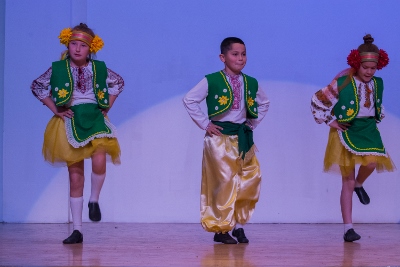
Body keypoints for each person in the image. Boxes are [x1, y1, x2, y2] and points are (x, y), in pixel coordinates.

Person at [31, 23, 124, 244]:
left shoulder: (98, 68)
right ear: (67, 44)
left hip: (94, 118)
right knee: (75, 176)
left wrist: (106, 107)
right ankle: (77, 229)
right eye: (73, 44)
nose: (77, 49)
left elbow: (118, 82)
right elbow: (37, 86)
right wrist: (56, 109)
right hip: (71, 120)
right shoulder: (58, 68)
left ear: (91, 48)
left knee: (100, 157)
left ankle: (94, 200)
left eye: (82, 45)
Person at [183, 37, 270, 244]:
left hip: (242, 138)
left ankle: (239, 226)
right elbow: (190, 99)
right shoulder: (211, 80)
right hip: (219, 140)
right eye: (235, 54)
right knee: (224, 183)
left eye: (243, 54)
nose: (240, 58)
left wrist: (252, 123)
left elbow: (264, 102)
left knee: (249, 180)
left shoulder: (250, 82)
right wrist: (205, 124)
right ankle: (221, 229)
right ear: (223, 57)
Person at [311, 34, 395, 242]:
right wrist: (330, 121)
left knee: (373, 163)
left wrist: (378, 112)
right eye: (365, 67)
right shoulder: (343, 82)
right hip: (347, 130)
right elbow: (317, 100)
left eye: (372, 68)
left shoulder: (378, 83)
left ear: (378, 66)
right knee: (346, 181)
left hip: (368, 130)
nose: (368, 71)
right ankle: (348, 227)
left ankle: (360, 184)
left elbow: (377, 104)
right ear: (357, 64)